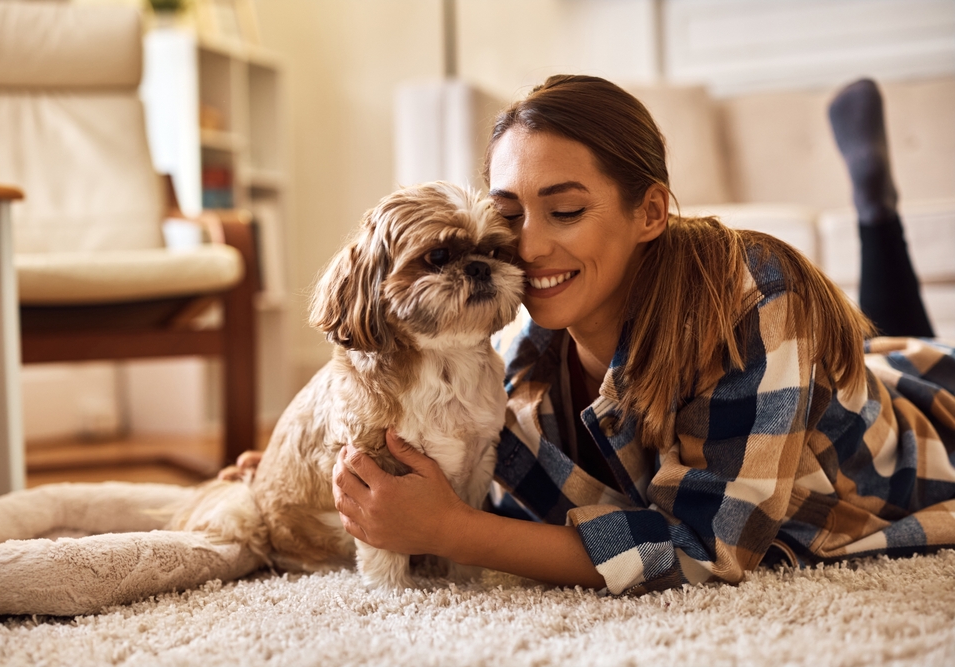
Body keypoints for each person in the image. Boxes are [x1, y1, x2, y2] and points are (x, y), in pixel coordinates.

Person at [331, 75, 955, 595]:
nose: (528, 246)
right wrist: (282, 464)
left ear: (652, 212)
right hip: (846, 370)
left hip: (920, 434)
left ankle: (878, 216)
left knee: (896, 339)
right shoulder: (519, 359)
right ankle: (878, 216)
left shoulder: (756, 298)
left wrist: (454, 531)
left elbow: (708, 549)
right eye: (509, 216)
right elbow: (401, 400)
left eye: (566, 210)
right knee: (880, 340)